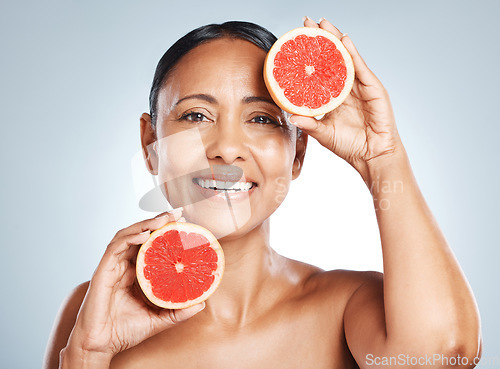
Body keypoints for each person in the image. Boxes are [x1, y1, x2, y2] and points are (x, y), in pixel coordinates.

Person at [44, 17, 482, 369]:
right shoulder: (95, 315)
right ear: (150, 144)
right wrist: (88, 356)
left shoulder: (347, 307)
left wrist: (382, 157)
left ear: (298, 154)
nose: (228, 148)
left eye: (261, 119)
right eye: (196, 115)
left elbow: (444, 356)